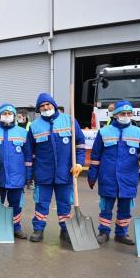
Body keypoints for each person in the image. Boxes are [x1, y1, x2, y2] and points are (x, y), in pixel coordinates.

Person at [87, 100, 140, 245]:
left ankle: (121, 234)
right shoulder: (104, 131)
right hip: (108, 177)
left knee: (125, 208)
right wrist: (92, 175)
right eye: (123, 113)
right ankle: (103, 232)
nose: (126, 116)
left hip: (128, 178)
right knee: (106, 208)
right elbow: (95, 156)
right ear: (116, 115)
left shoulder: (138, 132)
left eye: (129, 113)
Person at [27, 93, 85, 243]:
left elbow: (80, 145)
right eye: (42, 106)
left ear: (54, 104)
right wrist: (29, 175)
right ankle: (38, 229)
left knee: (65, 203)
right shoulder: (34, 127)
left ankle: (65, 230)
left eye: (48, 104)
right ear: (39, 109)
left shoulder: (70, 121)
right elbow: (29, 153)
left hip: (65, 173)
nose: (46, 107)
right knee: (41, 203)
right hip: (43, 173)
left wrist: (79, 163)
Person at [0, 103, 32, 239]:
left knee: (16, 204)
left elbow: (28, 157)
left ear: (15, 116)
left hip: (17, 178)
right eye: (4, 114)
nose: (7, 116)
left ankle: (16, 227)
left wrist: (28, 176)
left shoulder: (23, 133)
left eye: (10, 114)